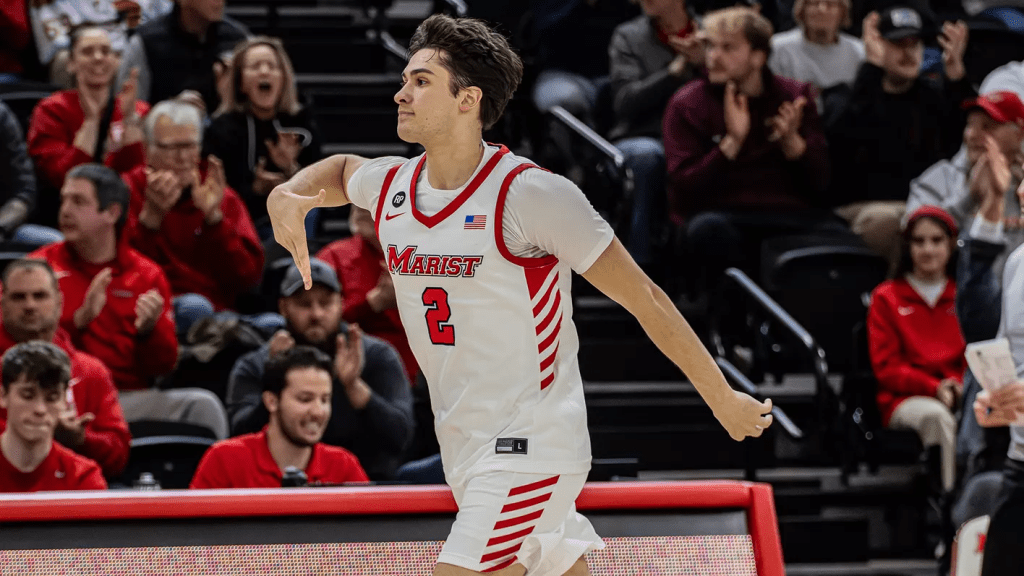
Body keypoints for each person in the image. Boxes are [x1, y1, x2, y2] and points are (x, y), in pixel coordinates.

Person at [267, 14, 773, 576]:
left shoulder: (531, 195)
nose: (400, 93)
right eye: (405, 79)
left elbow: (645, 298)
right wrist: (289, 192)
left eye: (421, 81)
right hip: (464, 443)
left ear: (468, 100)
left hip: (530, 445)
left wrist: (721, 397)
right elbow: (341, 171)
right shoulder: (393, 185)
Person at [662, 7, 842, 291]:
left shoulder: (793, 97)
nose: (713, 57)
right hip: (721, 213)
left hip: (790, 215)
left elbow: (822, 183)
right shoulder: (688, 104)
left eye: (728, 48)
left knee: (842, 242)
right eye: (711, 47)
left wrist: (794, 145)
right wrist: (731, 144)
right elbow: (683, 187)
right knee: (709, 233)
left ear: (758, 56)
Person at [226, 259, 414, 480]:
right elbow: (239, 438)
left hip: (364, 484)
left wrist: (354, 388)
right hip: (275, 484)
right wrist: (274, 380)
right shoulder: (257, 363)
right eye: (304, 304)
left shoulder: (376, 356)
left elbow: (401, 438)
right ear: (283, 307)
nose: (316, 314)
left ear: (341, 304)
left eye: (325, 303)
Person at [827, 7, 972, 269]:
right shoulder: (849, 96)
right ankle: (900, 294)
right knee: (896, 222)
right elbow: (841, 139)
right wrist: (871, 69)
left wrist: (955, 77)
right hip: (865, 206)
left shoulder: (931, 97)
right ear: (877, 47)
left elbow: (963, 140)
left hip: (926, 202)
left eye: (915, 44)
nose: (909, 53)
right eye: (898, 44)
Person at [29, 163, 177, 393]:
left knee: (200, 404)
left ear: (112, 213)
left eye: (78, 202)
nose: (65, 210)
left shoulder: (147, 275)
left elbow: (163, 366)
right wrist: (79, 321)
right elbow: (16, 343)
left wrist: (149, 333)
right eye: (64, 200)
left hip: (127, 395)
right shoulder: (38, 268)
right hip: (57, 394)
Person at [123, 98, 263, 319]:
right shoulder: (127, 190)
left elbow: (248, 278)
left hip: (218, 315)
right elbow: (119, 272)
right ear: (147, 150)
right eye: (170, 148)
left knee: (272, 324)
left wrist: (214, 220)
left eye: (189, 146)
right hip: (150, 308)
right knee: (195, 307)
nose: (182, 158)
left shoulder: (220, 194)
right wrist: (150, 220)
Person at [0, 259, 130, 479]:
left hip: (77, 486)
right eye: (18, 297)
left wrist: (80, 439)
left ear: (59, 301)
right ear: (2, 304)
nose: (30, 305)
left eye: (40, 296)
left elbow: (118, 455)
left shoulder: (91, 372)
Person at [867, 205, 966, 492]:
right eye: (919, 241)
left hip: (962, 393)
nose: (928, 249)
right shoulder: (886, 297)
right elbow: (887, 368)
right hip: (905, 399)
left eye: (936, 240)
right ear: (907, 246)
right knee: (937, 418)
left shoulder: (964, 295)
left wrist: (957, 386)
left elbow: (976, 354)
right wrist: (934, 388)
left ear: (951, 244)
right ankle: (949, 506)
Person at [607, 0, 703, 265]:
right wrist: (671, 75)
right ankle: (638, 265)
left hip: (699, 135)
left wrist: (703, 64)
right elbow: (624, 102)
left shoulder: (711, 32)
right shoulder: (629, 35)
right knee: (648, 155)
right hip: (644, 133)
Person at [191, 346, 368, 489]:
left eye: (324, 400)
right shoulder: (223, 459)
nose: (318, 412)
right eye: (305, 399)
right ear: (272, 401)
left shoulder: (344, 466)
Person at [204, 36, 324, 240]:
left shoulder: (301, 123)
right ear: (240, 82)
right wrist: (255, 189)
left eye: (272, 66)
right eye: (255, 66)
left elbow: (323, 187)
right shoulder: (222, 128)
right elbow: (215, 191)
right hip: (241, 220)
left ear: (284, 79)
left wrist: (291, 169)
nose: (264, 71)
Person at [26, 26, 148, 227]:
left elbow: (138, 178)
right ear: (71, 63)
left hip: (122, 214)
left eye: (106, 51)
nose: (98, 58)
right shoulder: (51, 110)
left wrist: (129, 122)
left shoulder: (137, 110)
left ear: (116, 61)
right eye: (87, 52)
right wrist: (91, 122)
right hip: (63, 216)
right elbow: (62, 178)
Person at [967, 150, 1024, 575]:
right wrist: (996, 398)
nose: (1021, 191)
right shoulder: (1018, 262)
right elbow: (1006, 352)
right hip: (1020, 462)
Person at [906, 91, 1024, 274]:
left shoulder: (1022, 185)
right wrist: (969, 197)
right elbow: (914, 237)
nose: (972, 135)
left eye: (987, 127)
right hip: (953, 289)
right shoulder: (940, 177)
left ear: (1019, 133)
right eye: (969, 125)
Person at [317, 206, 419, 383]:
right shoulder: (333, 256)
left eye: (374, 199)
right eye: (358, 198)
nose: (361, 207)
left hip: (418, 369)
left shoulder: (427, 257)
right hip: (345, 366)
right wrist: (372, 304)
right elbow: (313, 320)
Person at [0, 341, 107, 492]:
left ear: (65, 401)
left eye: (51, 398)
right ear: (3, 395)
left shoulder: (83, 478)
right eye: (28, 395)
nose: (40, 409)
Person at [116, 0, 249, 115]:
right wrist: (169, 111)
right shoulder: (146, 42)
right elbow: (127, 113)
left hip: (226, 132)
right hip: (163, 133)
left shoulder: (237, 40)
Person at [767, 0, 864, 98]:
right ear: (802, 10)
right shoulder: (777, 48)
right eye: (814, 3)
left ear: (843, 11)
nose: (822, 9)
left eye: (830, 4)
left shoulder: (859, 52)